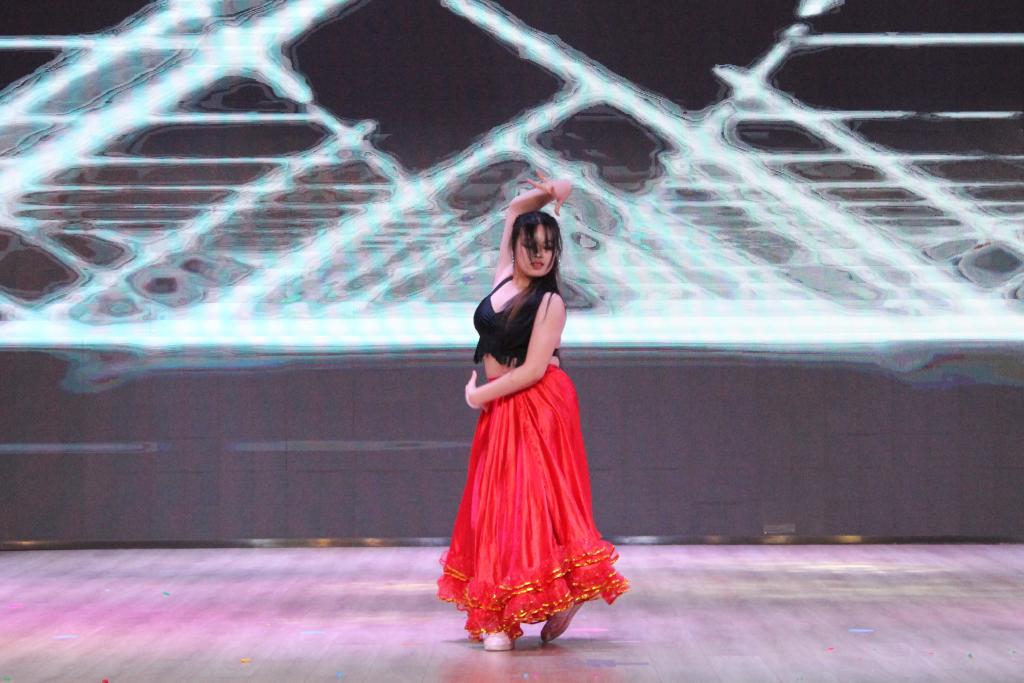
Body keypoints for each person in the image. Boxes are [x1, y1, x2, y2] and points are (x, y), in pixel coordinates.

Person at [437, 172, 628, 652]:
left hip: (537, 402)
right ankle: (503, 611)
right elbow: (516, 208)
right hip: (503, 403)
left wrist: (479, 395)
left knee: (529, 501)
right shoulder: (504, 276)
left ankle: (542, 600)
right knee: (497, 503)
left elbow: (534, 370)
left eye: (548, 247)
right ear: (518, 248)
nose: (540, 254)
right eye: (532, 246)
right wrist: (552, 191)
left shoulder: (551, 303)